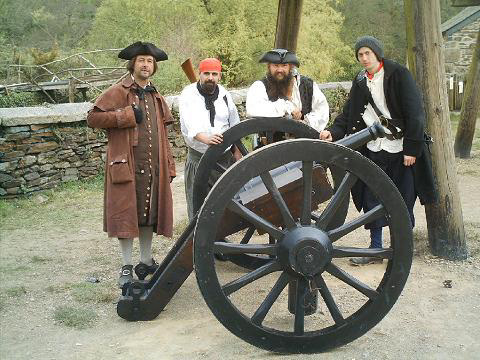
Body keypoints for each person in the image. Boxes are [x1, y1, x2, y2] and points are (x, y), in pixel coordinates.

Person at [319, 36, 436, 265]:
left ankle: (400, 249)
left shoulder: (398, 74)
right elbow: (349, 113)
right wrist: (333, 132)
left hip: (401, 147)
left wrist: (412, 149)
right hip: (374, 146)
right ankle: (375, 249)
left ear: (377, 53)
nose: (364, 58)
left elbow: (415, 114)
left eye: (367, 53)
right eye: (360, 55)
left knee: (403, 198)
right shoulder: (361, 79)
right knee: (373, 196)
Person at [87, 41, 176, 287]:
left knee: (147, 214)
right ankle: (126, 265)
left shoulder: (156, 96)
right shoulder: (118, 91)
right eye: (141, 61)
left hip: (152, 166)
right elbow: (93, 118)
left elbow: (164, 134)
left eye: (149, 61)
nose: (145, 65)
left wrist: (167, 164)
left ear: (154, 67)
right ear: (132, 65)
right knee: (126, 215)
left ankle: (145, 261)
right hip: (125, 164)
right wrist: (124, 116)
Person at [179, 58, 241, 220]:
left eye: (214, 74)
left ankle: (219, 241)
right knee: (198, 206)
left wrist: (237, 151)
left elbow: (234, 124)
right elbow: (188, 124)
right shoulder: (188, 94)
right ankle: (197, 241)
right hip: (199, 159)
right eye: (206, 73)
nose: (210, 78)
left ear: (219, 76)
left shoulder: (224, 94)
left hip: (223, 159)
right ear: (200, 74)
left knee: (224, 206)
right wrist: (206, 139)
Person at [246, 48, 329, 133]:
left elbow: (322, 112)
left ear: (290, 67)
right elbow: (253, 109)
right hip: (273, 144)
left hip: (305, 142)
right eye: (275, 65)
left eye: (284, 65)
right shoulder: (259, 86)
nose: (280, 70)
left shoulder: (308, 85)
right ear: (269, 66)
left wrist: (304, 124)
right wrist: (287, 107)